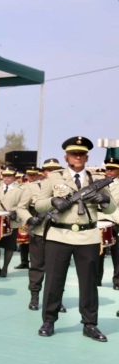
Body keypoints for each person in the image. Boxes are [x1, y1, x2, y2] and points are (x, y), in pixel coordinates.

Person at [35, 136, 116, 341]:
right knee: (54, 281)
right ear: (66, 157)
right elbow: (38, 204)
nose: (77, 157)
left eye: (81, 154)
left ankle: (90, 324)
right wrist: (54, 201)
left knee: (89, 284)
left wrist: (103, 199)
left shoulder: (96, 179)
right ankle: (49, 320)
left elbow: (112, 207)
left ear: (87, 157)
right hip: (59, 235)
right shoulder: (54, 178)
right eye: (73, 154)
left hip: (87, 237)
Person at [17, 158, 65, 311]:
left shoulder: (66, 186)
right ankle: (35, 296)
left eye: (55, 169)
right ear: (43, 172)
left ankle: (57, 300)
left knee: (57, 269)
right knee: (37, 267)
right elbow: (21, 207)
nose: (51, 172)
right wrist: (29, 218)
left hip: (60, 232)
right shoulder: (32, 187)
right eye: (48, 170)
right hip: (39, 232)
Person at [96, 158, 119, 291]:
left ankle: (117, 281)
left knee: (117, 254)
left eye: (113, 169)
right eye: (107, 169)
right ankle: (97, 279)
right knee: (98, 253)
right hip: (99, 220)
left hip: (115, 220)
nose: (109, 171)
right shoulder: (98, 184)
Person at [15, 167, 40, 269]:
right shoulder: (21, 186)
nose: (32, 177)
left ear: (37, 175)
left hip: (36, 214)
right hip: (24, 215)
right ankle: (24, 261)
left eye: (34, 175)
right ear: (26, 175)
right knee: (23, 239)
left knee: (36, 240)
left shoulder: (41, 185)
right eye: (30, 175)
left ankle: (36, 262)